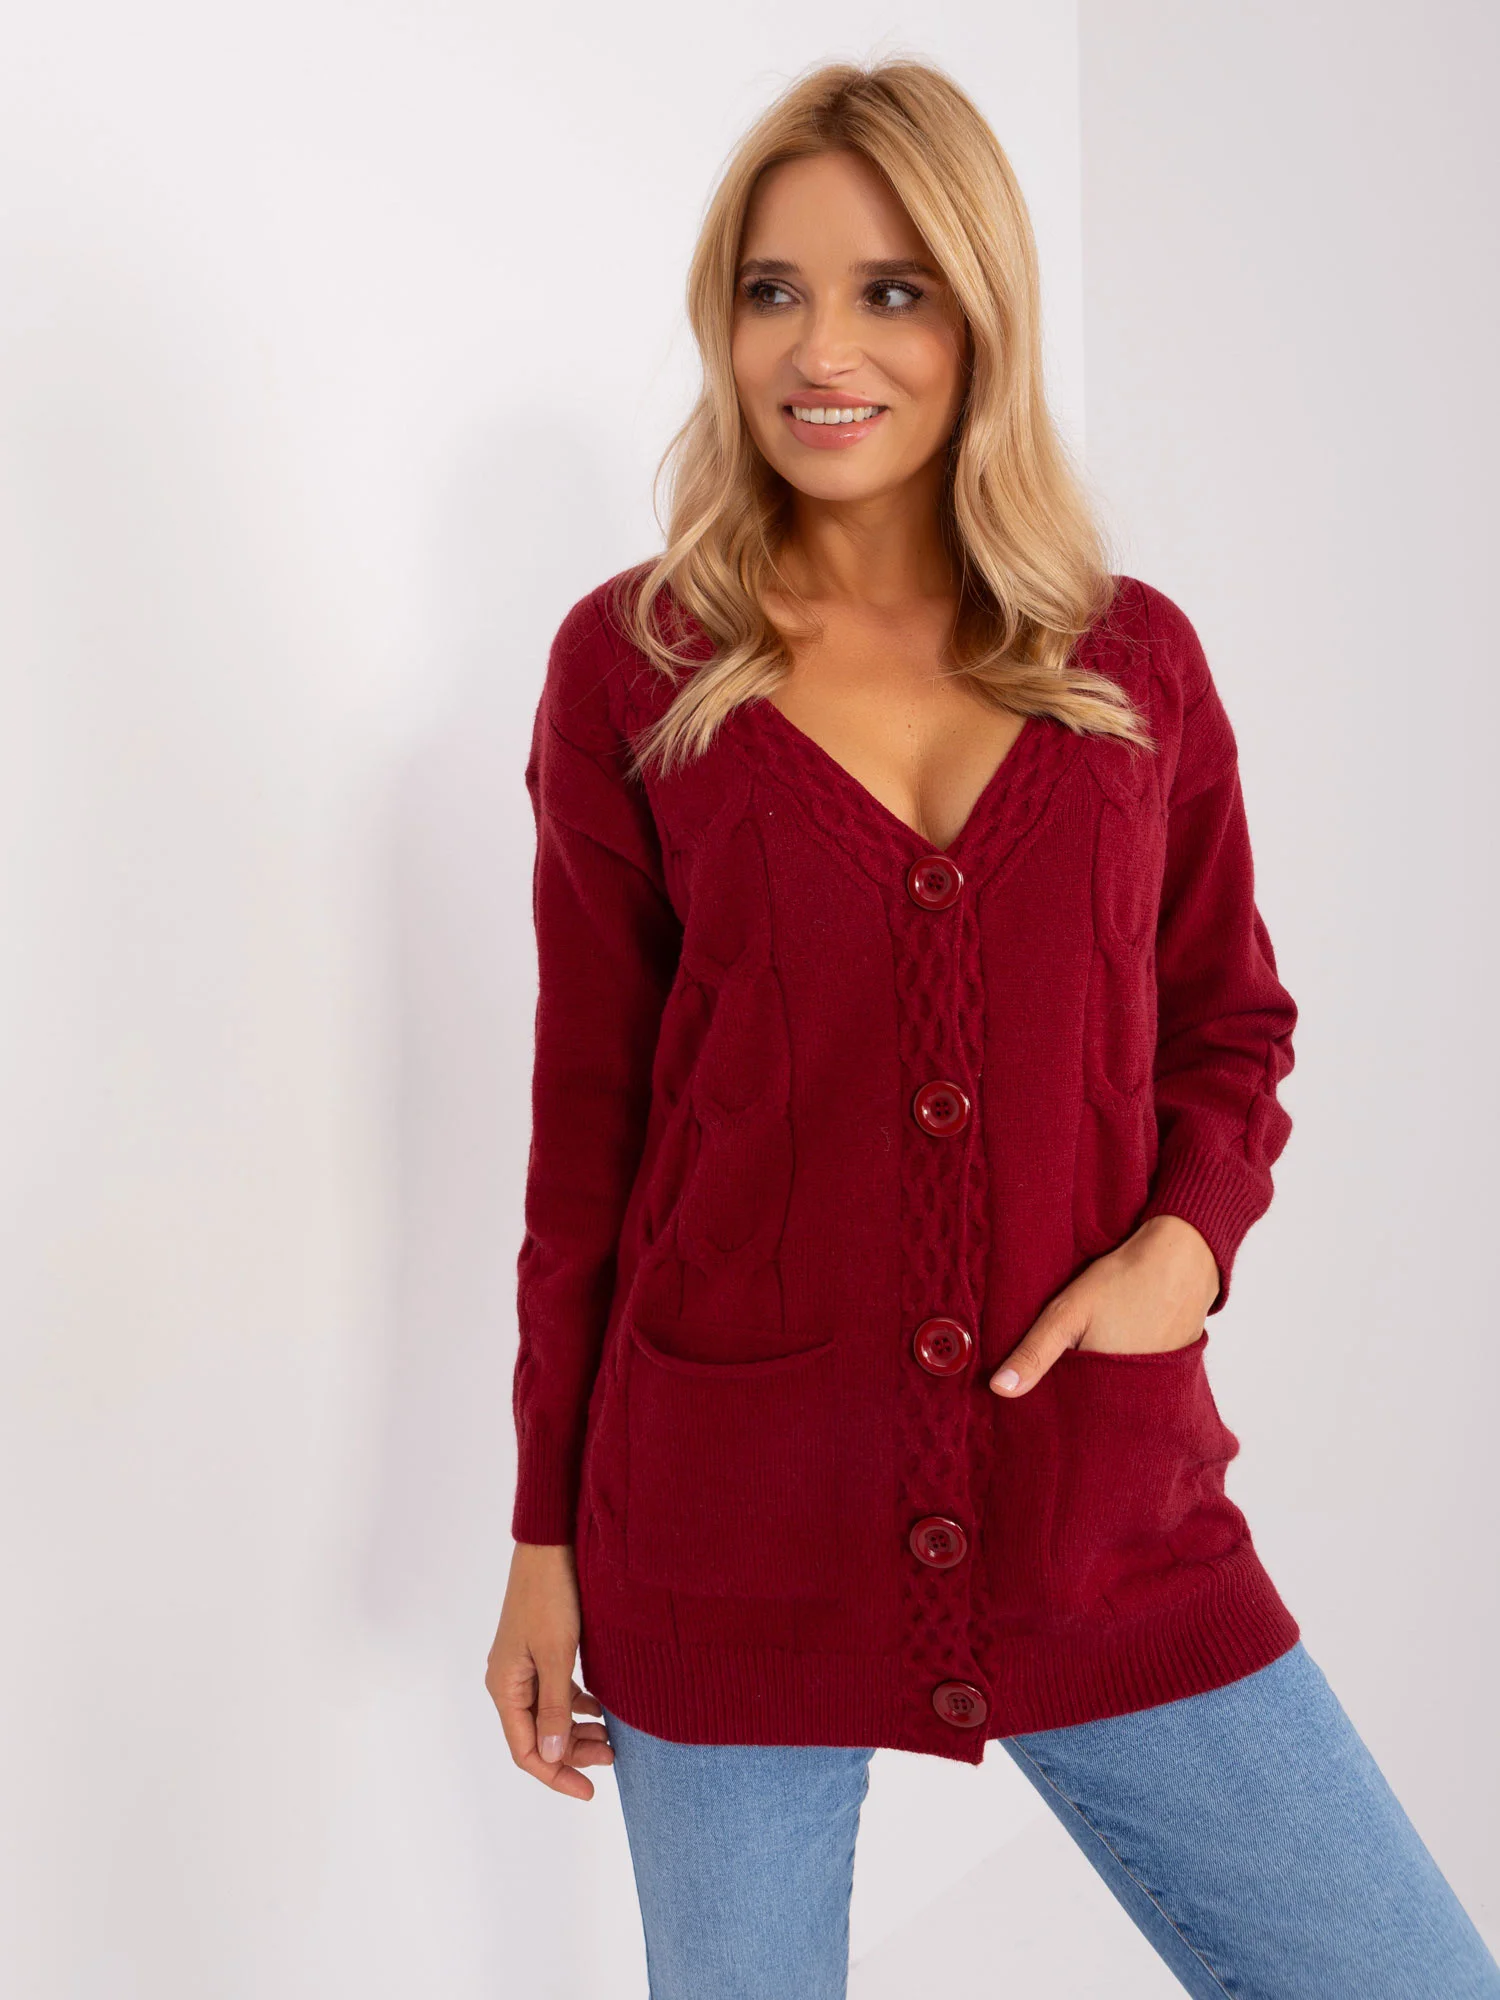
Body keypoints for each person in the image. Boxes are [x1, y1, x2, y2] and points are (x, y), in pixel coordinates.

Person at [486, 56, 1500, 2000]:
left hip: (1103, 1505)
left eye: (892, 289)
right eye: (773, 291)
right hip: (724, 1521)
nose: (822, 348)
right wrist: (543, 1535)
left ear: (982, 316)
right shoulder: (637, 661)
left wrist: (1186, 1245)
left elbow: (1231, 1020)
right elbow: (588, 1128)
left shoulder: (1132, 660)